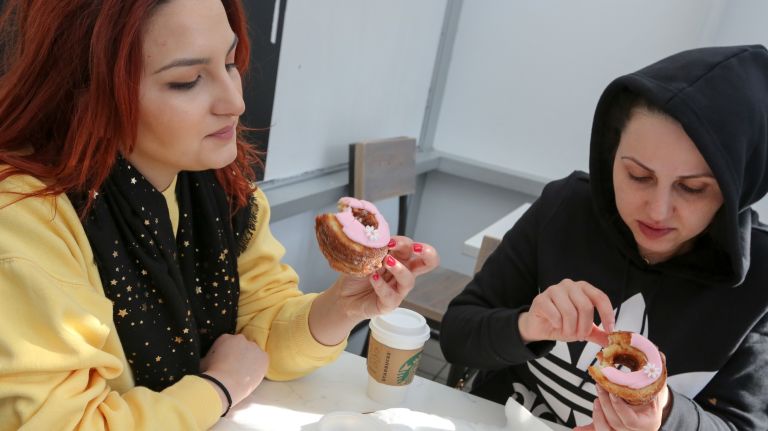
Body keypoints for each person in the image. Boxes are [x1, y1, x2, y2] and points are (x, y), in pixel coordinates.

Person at [0, 0, 439, 429]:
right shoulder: (27, 219)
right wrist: (219, 386)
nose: (235, 102)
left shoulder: (221, 190)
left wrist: (342, 307)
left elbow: (258, 334)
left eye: (230, 63)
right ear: (90, 89)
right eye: (188, 80)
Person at [440, 44, 768, 430]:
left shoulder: (758, 282)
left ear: (737, 192)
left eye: (692, 188)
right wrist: (528, 325)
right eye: (638, 176)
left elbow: (744, 423)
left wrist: (665, 414)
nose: (657, 210)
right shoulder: (566, 208)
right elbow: (457, 335)